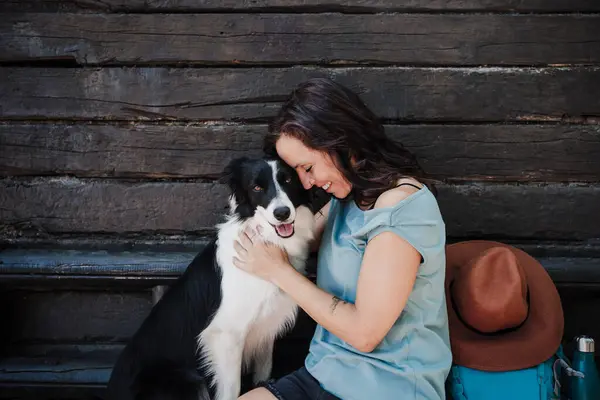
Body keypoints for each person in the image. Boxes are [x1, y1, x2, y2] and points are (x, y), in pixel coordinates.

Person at [233, 77, 451, 400]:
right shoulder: (347, 198)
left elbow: (364, 333)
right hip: (323, 375)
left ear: (339, 140)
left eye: (307, 168)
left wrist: (279, 271)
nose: (307, 184)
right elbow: (302, 235)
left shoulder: (402, 210)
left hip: (389, 388)